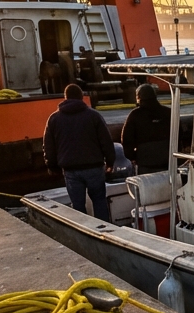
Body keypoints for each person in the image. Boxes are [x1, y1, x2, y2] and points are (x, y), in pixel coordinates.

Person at [43, 84, 115, 221]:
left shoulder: (54, 119)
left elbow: (49, 146)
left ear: (66, 97)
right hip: (94, 167)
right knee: (99, 201)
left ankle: (83, 234)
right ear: (81, 97)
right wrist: (110, 162)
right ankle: (105, 231)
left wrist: (52, 166)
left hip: (71, 170)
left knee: (78, 206)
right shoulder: (94, 116)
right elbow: (106, 141)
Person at [121, 83, 172, 174]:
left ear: (138, 97)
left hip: (145, 162)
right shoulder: (168, 112)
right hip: (168, 159)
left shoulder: (135, 115)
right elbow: (179, 134)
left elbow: (126, 139)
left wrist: (132, 156)